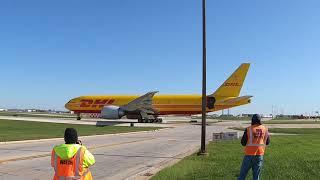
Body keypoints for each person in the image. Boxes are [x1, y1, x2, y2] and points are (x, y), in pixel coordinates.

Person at [238, 114, 270, 180]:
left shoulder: (248, 129)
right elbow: (267, 142)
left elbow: (243, 143)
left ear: (252, 120)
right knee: (256, 176)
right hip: (259, 155)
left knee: (242, 175)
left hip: (249, 155)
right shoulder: (265, 129)